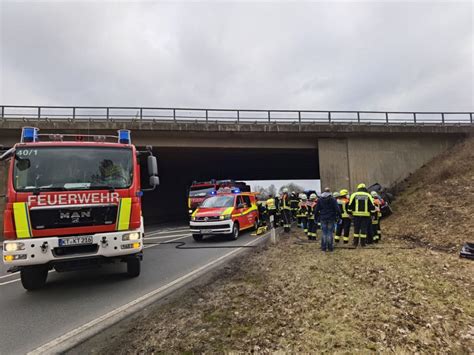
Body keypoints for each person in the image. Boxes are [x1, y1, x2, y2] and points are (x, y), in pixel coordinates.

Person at [348, 183, 376, 247]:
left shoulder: (354, 195)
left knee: (356, 229)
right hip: (366, 216)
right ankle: (363, 244)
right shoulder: (368, 195)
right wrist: (373, 214)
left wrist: (350, 213)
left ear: (358, 188)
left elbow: (350, 206)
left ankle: (355, 243)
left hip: (356, 216)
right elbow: (372, 206)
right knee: (364, 229)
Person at [314, 188, 341, 252]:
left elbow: (316, 210)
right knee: (330, 233)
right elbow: (337, 209)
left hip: (323, 218)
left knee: (324, 233)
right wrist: (340, 216)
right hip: (331, 218)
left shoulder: (320, 199)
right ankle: (330, 247)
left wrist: (316, 217)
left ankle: (323, 247)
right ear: (330, 192)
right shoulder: (333, 199)